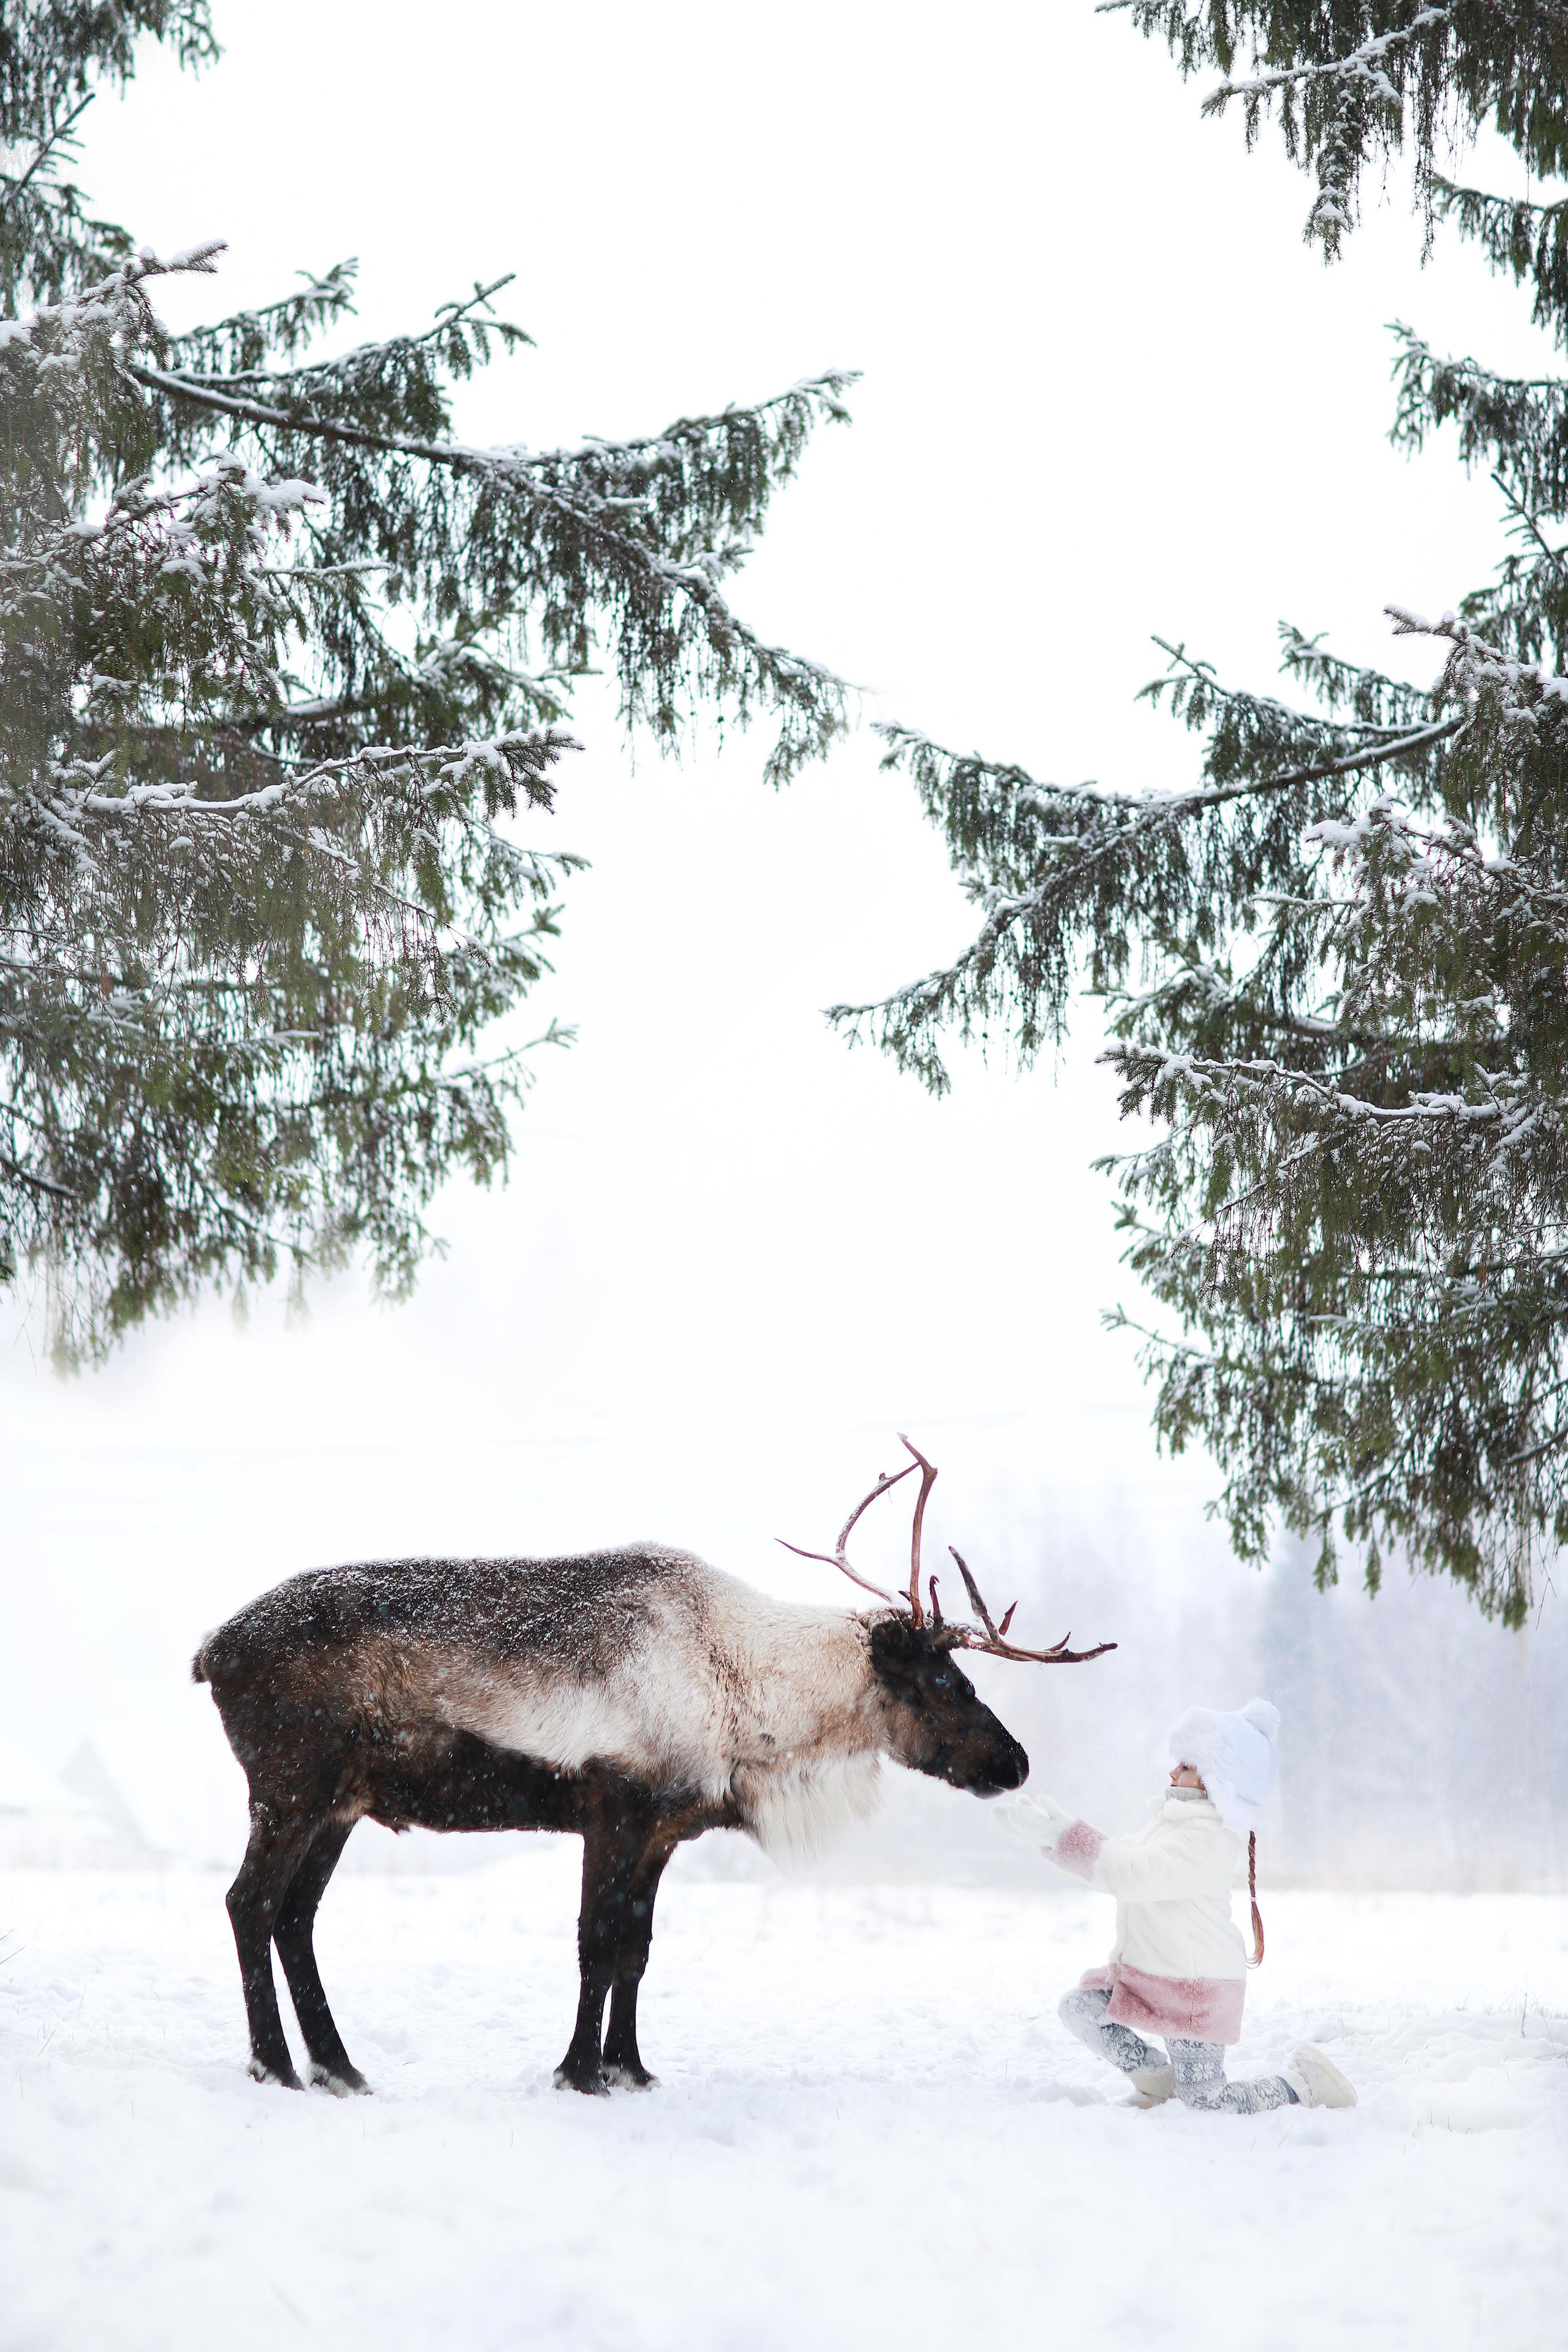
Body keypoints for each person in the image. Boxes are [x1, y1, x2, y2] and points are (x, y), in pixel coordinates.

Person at [1004, 1699, 1356, 2113]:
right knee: (1080, 2008)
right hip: (1149, 1976)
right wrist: (1051, 1837)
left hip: (1193, 1988)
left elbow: (1131, 1873)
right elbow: (1118, 1859)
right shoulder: (1173, 1822)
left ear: (1215, 1780)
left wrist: (1064, 1835)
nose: (1172, 1772)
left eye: (1187, 1766)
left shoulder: (1206, 1840)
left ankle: (1302, 2085)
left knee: (1208, 2102)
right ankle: (1157, 2081)